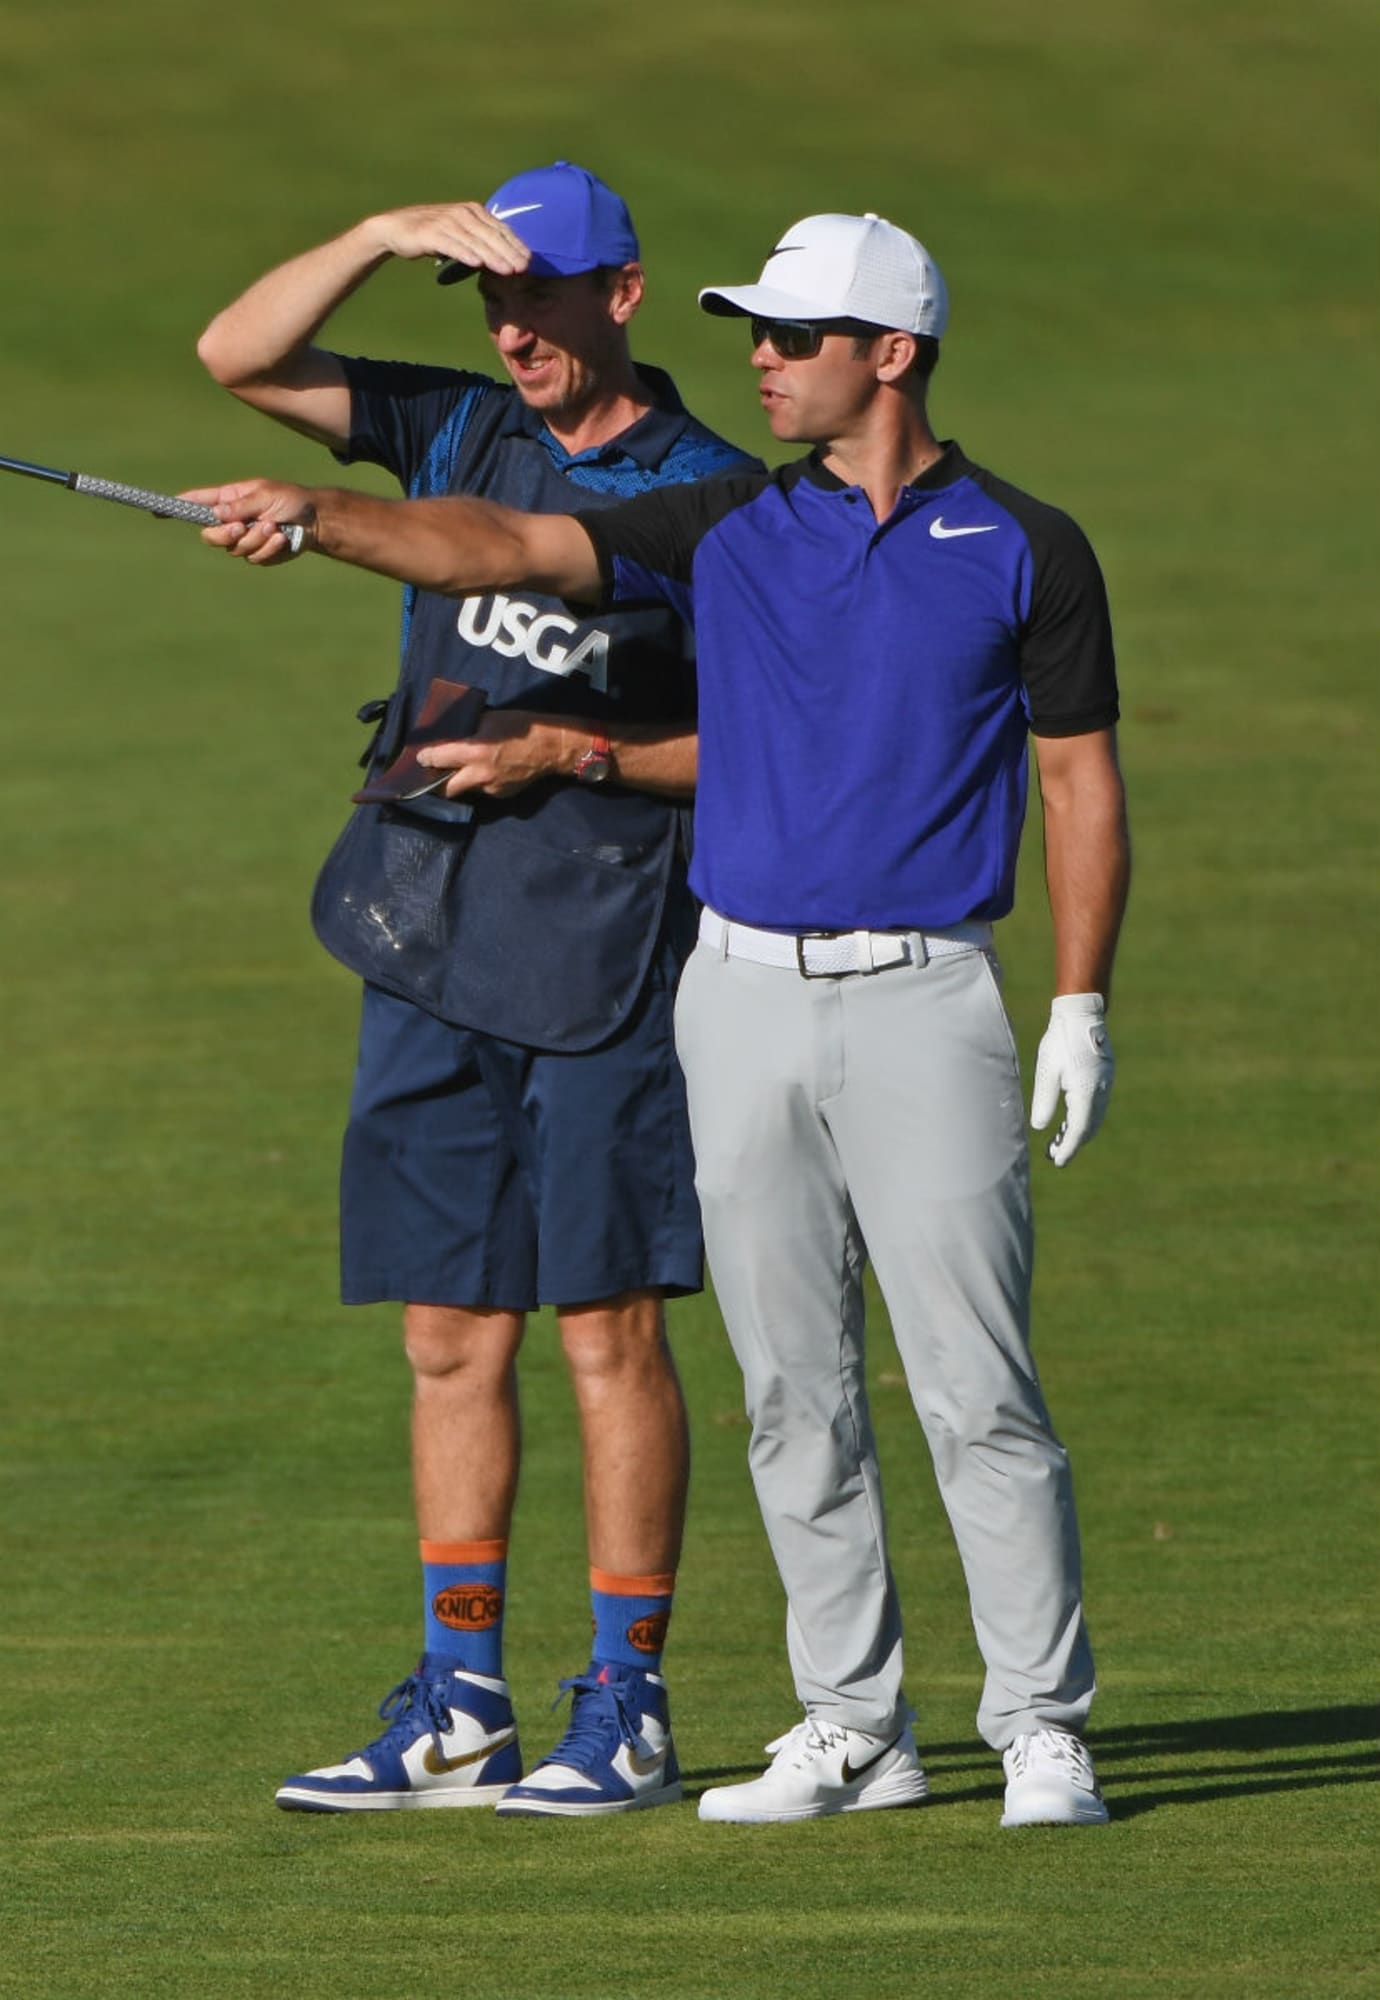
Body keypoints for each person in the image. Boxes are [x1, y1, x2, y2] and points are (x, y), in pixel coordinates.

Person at [191, 207, 1131, 1829]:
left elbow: (1077, 778)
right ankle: (853, 1725)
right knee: (791, 1387)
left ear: (888, 355)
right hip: (732, 986)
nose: (761, 359)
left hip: (900, 988)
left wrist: (1081, 1001)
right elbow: (499, 548)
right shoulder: (737, 521)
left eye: (792, 336)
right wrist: (327, 519)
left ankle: (1040, 1726)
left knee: (974, 1388)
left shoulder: (1023, 543)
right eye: (752, 333)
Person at [194, 161, 757, 1817]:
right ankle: (460, 1699)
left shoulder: (713, 497)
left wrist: (572, 749)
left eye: (542, 295)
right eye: (493, 298)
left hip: (607, 957)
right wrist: (375, 234)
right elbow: (236, 352)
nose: (513, 329)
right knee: (450, 1332)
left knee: (606, 1329)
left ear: (627, 294)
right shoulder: (457, 419)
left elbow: (760, 759)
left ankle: (628, 1705)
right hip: (424, 934)